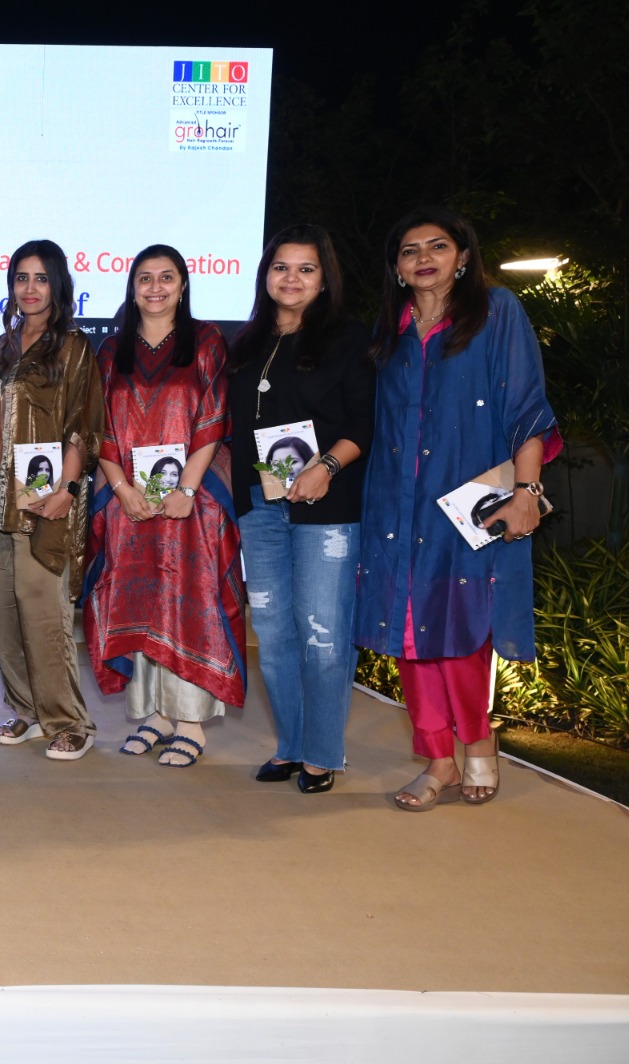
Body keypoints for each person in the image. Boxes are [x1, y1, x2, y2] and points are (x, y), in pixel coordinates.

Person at [356, 207, 558, 811]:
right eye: (409, 250)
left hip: (469, 503)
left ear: (463, 257)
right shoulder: (390, 329)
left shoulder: (496, 312)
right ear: (396, 268)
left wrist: (526, 492)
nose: (423, 258)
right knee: (410, 633)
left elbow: (526, 406)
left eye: (437, 246)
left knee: (463, 628)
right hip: (398, 506)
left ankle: (477, 741)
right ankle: (439, 760)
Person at [83, 244, 245, 768]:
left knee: (186, 598)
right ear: (132, 288)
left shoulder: (207, 341)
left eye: (166, 277)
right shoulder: (112, 350)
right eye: (145, 278)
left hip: (188, 503)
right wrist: (122, 490)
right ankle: (154, 714)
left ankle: (190, 719)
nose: (155, 287)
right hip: (129, 502)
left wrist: (187, 491)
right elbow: (101, 426)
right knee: (138, 601)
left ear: (183, 285)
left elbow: (213, 419)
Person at [228, 224, 375, 793]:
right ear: (265, 275)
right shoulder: (246, 343)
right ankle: (290, 745)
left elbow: (364, 422)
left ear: (324, 279)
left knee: (323, 632)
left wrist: (327, 467)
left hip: (327, 506)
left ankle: (322, 754)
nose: (291, 278)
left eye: (305, 269)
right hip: (260, 506)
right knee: (272, 632)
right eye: (281, 267)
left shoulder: (350, 338)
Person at [0, 240, 104, 760]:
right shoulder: (2, 347)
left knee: (44, 616)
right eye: (21, 278)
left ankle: (70, 721)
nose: (29, 288)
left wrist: (68, 491)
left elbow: (83, 424)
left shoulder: (74, 347)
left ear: (57, 284)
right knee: (3, 614)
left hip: (46, 503)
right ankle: (27, 710)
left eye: (40, 278)